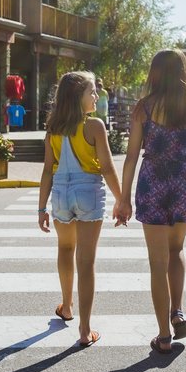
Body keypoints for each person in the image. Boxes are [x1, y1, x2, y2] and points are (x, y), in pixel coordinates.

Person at [113, 49, 186, 354]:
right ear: (184, 72)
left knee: (158, 263)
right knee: (177, 249)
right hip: (183, 184)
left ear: (155, 73)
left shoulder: (143, 108)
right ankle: (178, 312)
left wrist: (123, 198)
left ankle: (163, 335)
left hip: (152, 184)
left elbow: (131, 157)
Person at [38, 71, 122, 348]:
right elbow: (108, 168)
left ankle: (67, 307)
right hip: (88, 192)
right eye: (92, 92)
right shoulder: (94, 126)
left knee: (65, 249)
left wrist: (41, 208)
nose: (96, 96)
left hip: (60, 194)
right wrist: (122, 200)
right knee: (86, 261)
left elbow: (48, 170)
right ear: (78, 97)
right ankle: (85, 330)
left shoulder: (53, 128)